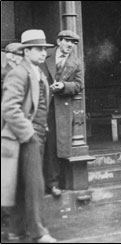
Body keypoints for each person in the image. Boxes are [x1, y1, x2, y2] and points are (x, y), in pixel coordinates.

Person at [1, 29, 57, 243]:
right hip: (25, 138)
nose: (43, 53)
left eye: (45, 49)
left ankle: (16, 230)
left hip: (36, 135)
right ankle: (37, 231)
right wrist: (29, 133)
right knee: (34, 185)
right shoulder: (20, 73)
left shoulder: (36, 72)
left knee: (23, 185)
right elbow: (9, 108)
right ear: (26, 51)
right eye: (39, 49)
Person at [40, 30, 83, 197]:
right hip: (41, 105)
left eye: (73, 43)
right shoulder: (45, 54)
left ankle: (53, 183)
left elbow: (79, 85)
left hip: (60, 109)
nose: (70, 45)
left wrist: (64, 86)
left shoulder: (75, 62)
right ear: (59, 41)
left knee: (54, 146)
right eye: (67, 41)